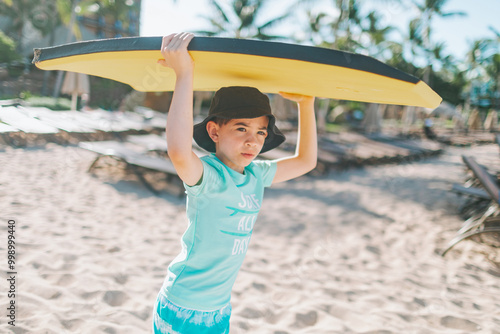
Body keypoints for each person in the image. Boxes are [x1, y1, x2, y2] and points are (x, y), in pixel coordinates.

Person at [153, 32, 317, 334]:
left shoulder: (256, 176)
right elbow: (178, 151)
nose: (252, 141)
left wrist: (306, 106)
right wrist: (184, 73)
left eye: (261, 133)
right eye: (241, 128)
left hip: (219, 309)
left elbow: (306, 161)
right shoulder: (209, 177)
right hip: (184, 306)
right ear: (214, 132)